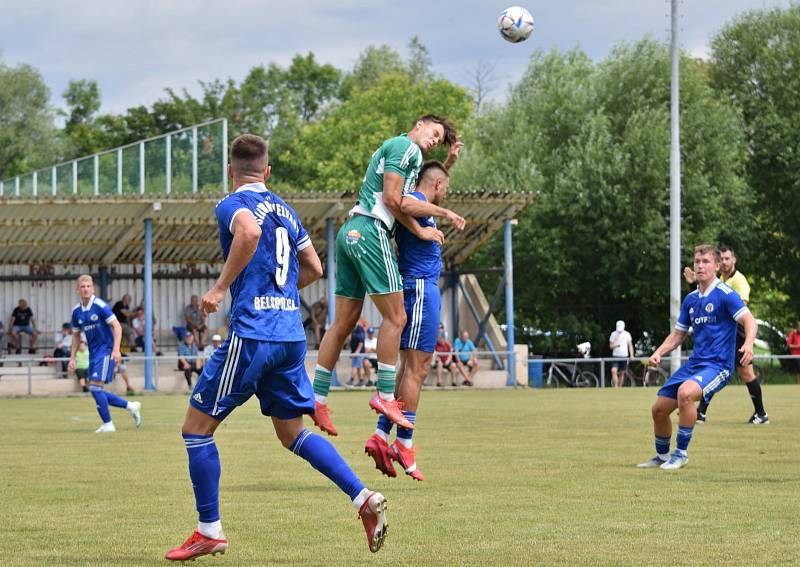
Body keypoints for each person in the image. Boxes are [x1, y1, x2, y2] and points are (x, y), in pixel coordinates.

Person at [165, 134, 387, 561]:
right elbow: (315, 267)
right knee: (292, 434)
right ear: (267, 172)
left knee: (195, 430)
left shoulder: (232, 204)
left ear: (232, 171)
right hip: (289, 336)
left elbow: (247, 232)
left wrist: (220, 289)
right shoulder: (286, 209)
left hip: (253, 334)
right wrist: (282, 292)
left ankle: (209, 530)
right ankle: (362, 498)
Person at [309, 115, 458, 437]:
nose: (434, 140)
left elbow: (414, 193)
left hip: (350, 232)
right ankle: (386, 396)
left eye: (439, 139)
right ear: (419, 124)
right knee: (397, 318)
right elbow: (396, 201)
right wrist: (436, 218)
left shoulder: (401, 152)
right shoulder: (407, 147)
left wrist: (448, 163)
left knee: (342, 323)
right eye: (433, 133)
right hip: (371, 231)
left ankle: (317, 398)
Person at [364, 159, 465, 482]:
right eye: (445, 188)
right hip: (420, 287)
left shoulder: (418, 199)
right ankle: (403, 444)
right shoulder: (418, 202)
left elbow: (415, 191)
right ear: (436, 186)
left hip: (417, 286)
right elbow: (408, 201)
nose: (446, 195)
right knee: (418, 368)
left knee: (410, 368)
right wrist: (446, 213)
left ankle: (382, 436)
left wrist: (447, 162)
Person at [637, 245, 756, 470]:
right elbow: (678, 335)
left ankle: (680, 454)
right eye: (697, 261)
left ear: (717, 267)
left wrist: (748, 344)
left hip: (718, 365)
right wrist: (658, 352)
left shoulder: (725, 295)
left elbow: (750, 321)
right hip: (695, 365)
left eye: (706, 262)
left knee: (686, 394)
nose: (700, 266)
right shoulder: (691, 300)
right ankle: (662, 456)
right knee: (658, 410)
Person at [684, 245, 768, 424]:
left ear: (734, 260)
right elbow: (704, 298)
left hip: (736, 331)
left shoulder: (739, 280)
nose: (724, 262)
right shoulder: (718, 278)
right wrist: (694, 283)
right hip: (721, 330)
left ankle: (761, 414)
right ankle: (701, 412)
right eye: (721, 259)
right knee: (713, 368)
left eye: (727, 258)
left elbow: (740, 305)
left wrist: (748, 343)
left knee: (744, 372)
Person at [68, 275, 141, 433]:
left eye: (89, 286)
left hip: (106, 350)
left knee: (94, 387)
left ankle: (108, 424)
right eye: (83, 286)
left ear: (93, 288)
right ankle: (131, 406)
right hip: (93, 353)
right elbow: (75, 336)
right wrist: (72, 358)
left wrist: (116, 349)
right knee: (96, 388)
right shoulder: (76, 312)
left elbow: (117, 327)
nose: (86, 289)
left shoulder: (100, 306)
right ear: (78, 289)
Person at [609, 320, 634, 388]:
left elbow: (630, 345)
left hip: (624, 356)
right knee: (613, 371)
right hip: (615, 355)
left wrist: (631, 355)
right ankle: (616, 386)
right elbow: (610, 346)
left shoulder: (627, 334)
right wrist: (616, 346)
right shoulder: (613, 334)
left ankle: (620, 387)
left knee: (622, 372)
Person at [347, 320, 367, 387]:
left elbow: (361, 342)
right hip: (354, 352)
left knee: (354, 366)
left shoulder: (359, 329)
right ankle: (361, 381)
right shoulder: (352, 329)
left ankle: (351, 381)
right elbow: (349, 339)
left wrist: (357, 352)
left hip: (359, 352)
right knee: (358, 366)